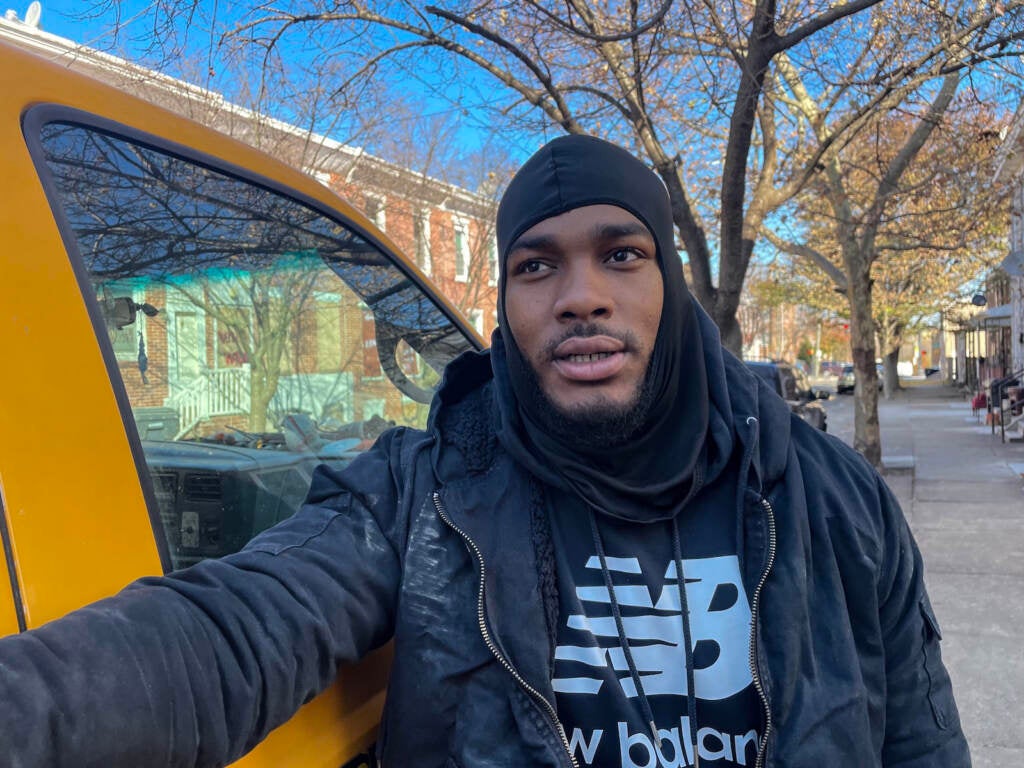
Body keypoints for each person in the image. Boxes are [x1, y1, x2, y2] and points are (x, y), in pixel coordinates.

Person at [0, 135, 967, 767]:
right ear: (505, 307)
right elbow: (228, 636)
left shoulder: (832, 501)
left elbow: (920, 740)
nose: (579, 295)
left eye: (620, 255)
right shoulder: (421, 495)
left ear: (670, 286)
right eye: (536, 266)